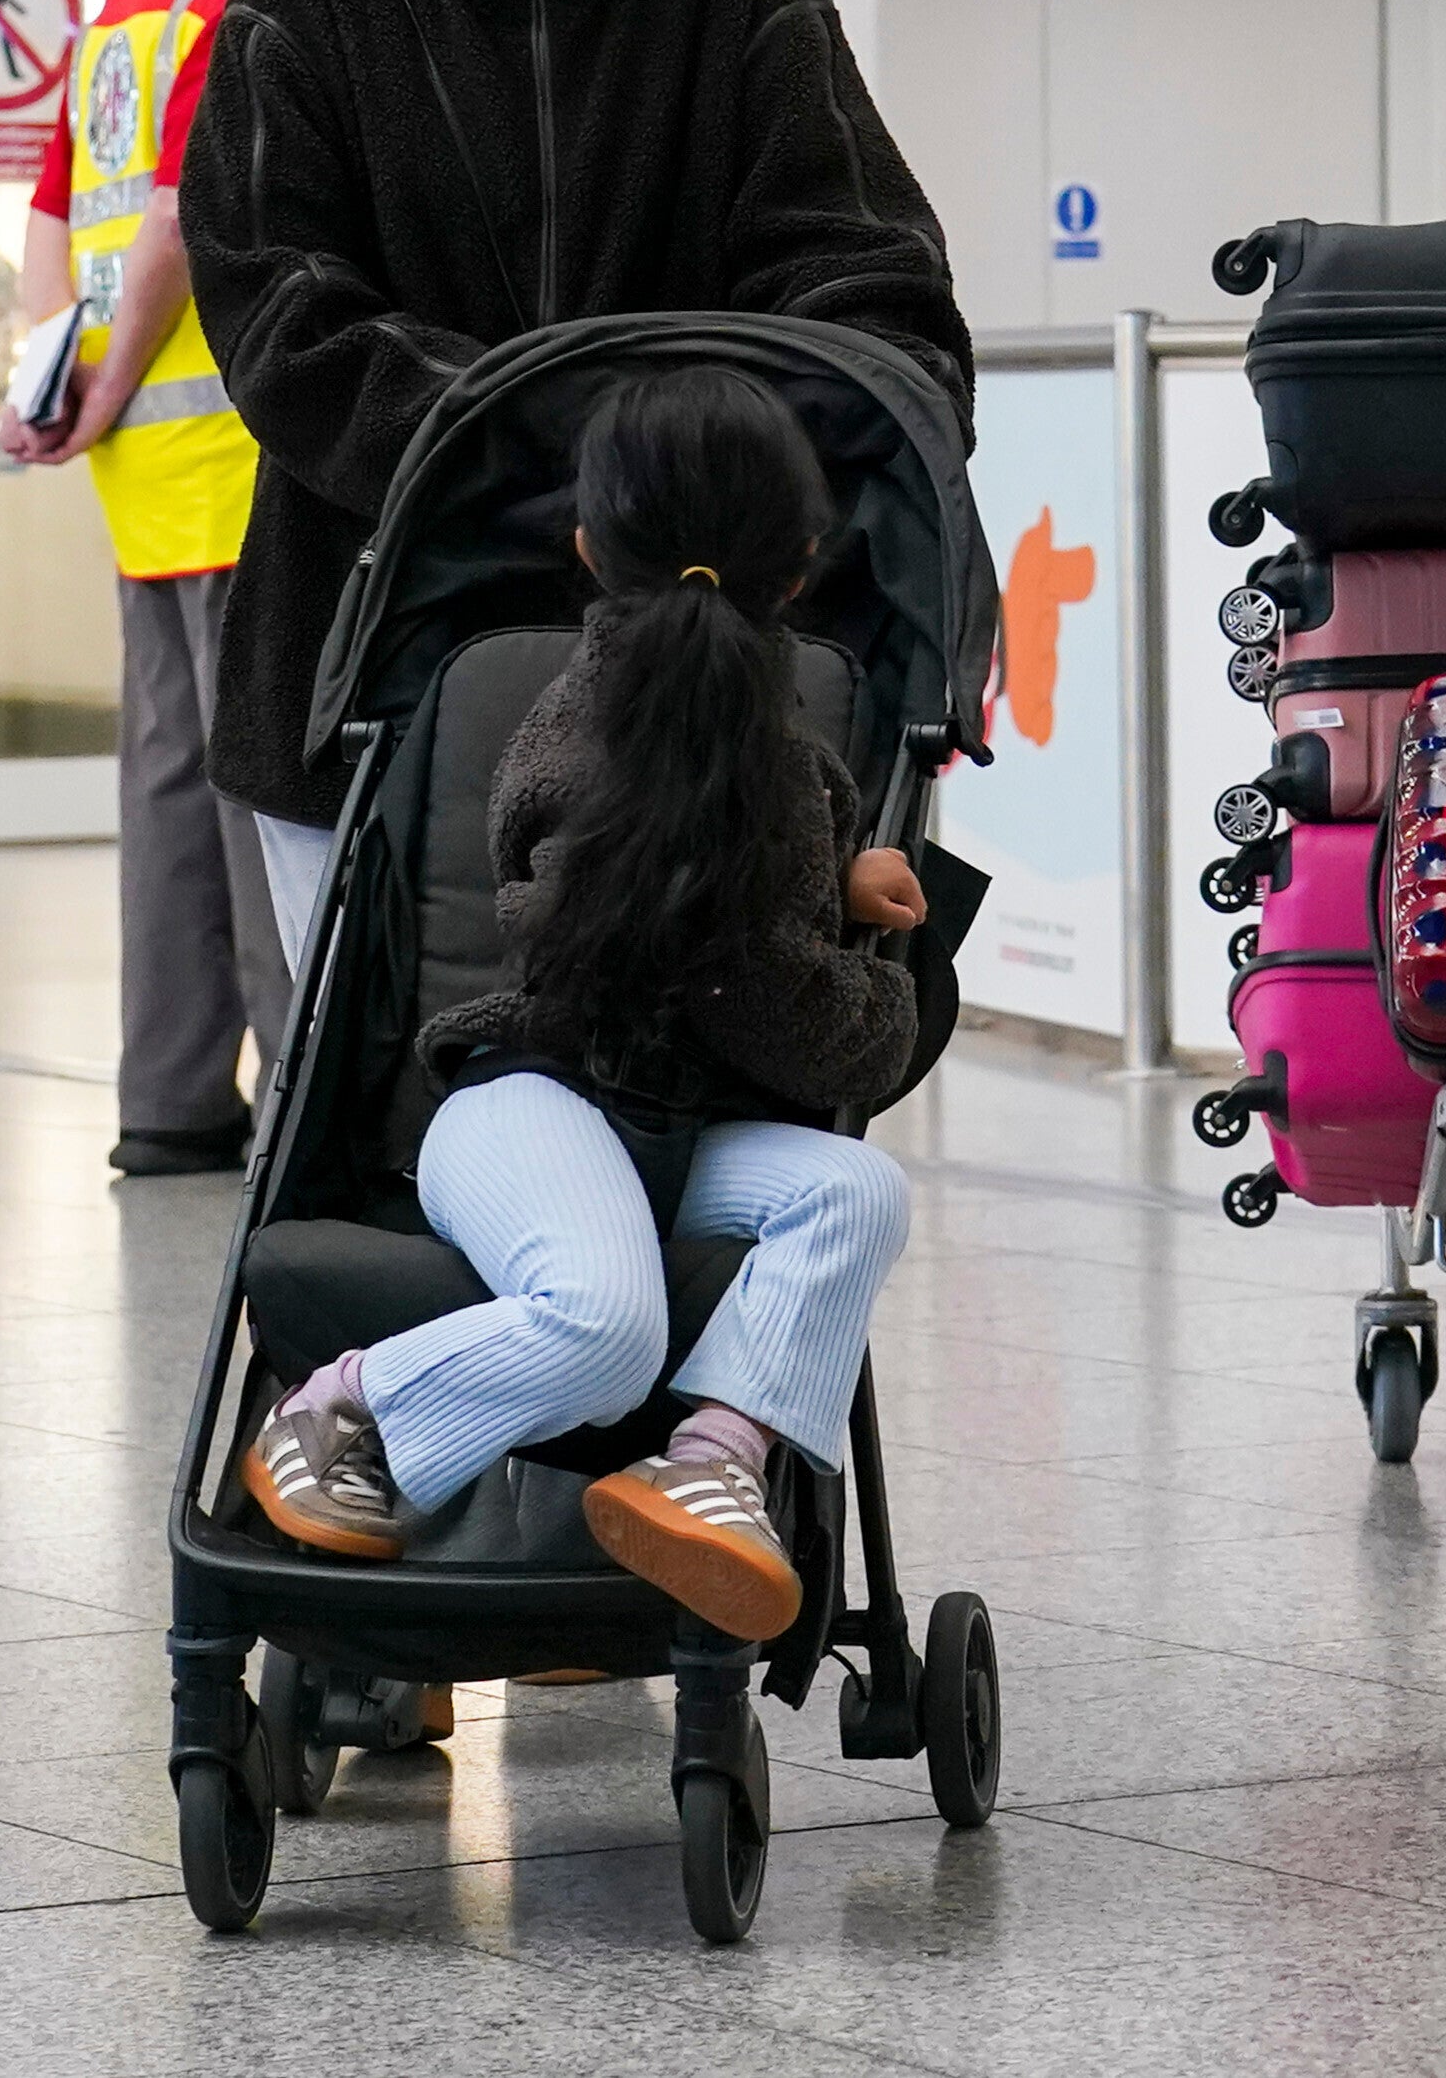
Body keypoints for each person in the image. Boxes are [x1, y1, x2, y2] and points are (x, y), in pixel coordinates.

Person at [183, 0, 971, 973]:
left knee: (710, 1086)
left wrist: (737, 482)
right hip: (372, 696)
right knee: (405, 1105)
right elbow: (286, 324)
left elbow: (870, 279)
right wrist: (602, 458)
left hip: (715, 696)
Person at [239, 368, 929, 1637]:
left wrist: (828, 879)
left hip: (656, 1126)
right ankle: (346, 1407)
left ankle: (711, 1460)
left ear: (587, 551)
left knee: (857, 1193)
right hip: (531, 1109)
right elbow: (763, 993)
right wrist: (887, 1001)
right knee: (612, 1331)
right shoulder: (740, 757)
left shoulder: (610, 723)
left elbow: (694, 898)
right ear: (801, 567)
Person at [5, 0, 331, 1177]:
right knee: (265, 793)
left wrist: (55, 383)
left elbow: (47, 212)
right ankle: (300, 1110)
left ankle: (172, 1098)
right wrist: (110, 380)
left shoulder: (120, 3)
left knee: (166, 788)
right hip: (233, 467)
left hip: (138, 473)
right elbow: (179, 220)